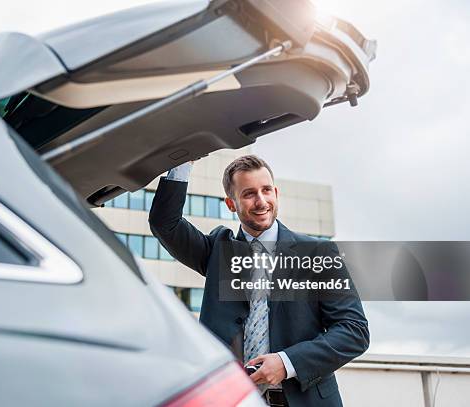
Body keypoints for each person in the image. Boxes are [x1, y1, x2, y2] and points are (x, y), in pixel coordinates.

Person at [148, 155, 369, 407]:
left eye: (266, 190)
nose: (261, 201)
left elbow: (354, 331)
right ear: (231, 204)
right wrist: (182, 162)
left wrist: (287, 363)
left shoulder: (318, 253)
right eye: (249, 194)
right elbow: (164, 223)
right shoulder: (217, 250)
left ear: (276, 192)